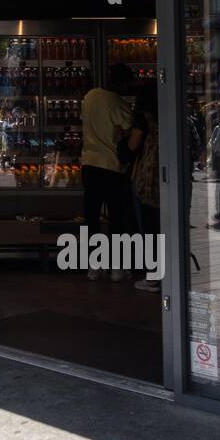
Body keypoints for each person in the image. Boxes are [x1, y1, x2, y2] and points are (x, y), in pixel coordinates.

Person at [80, 62, 135, 281]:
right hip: (111, 166)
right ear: (121, 82)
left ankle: (93, 266)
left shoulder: (90, 96)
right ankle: (117, 268)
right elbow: (131, 128)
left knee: (91, 217)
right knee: (116, 218)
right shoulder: (116, 102)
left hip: (89, 164)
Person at [125, 82, 161, 292]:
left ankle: (153, 276)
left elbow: (132, 145)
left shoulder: (143, 118)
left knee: (148, 228)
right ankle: (172, 270)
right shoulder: (172, 111)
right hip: (169, 175)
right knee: (166, 225)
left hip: (147, 176)